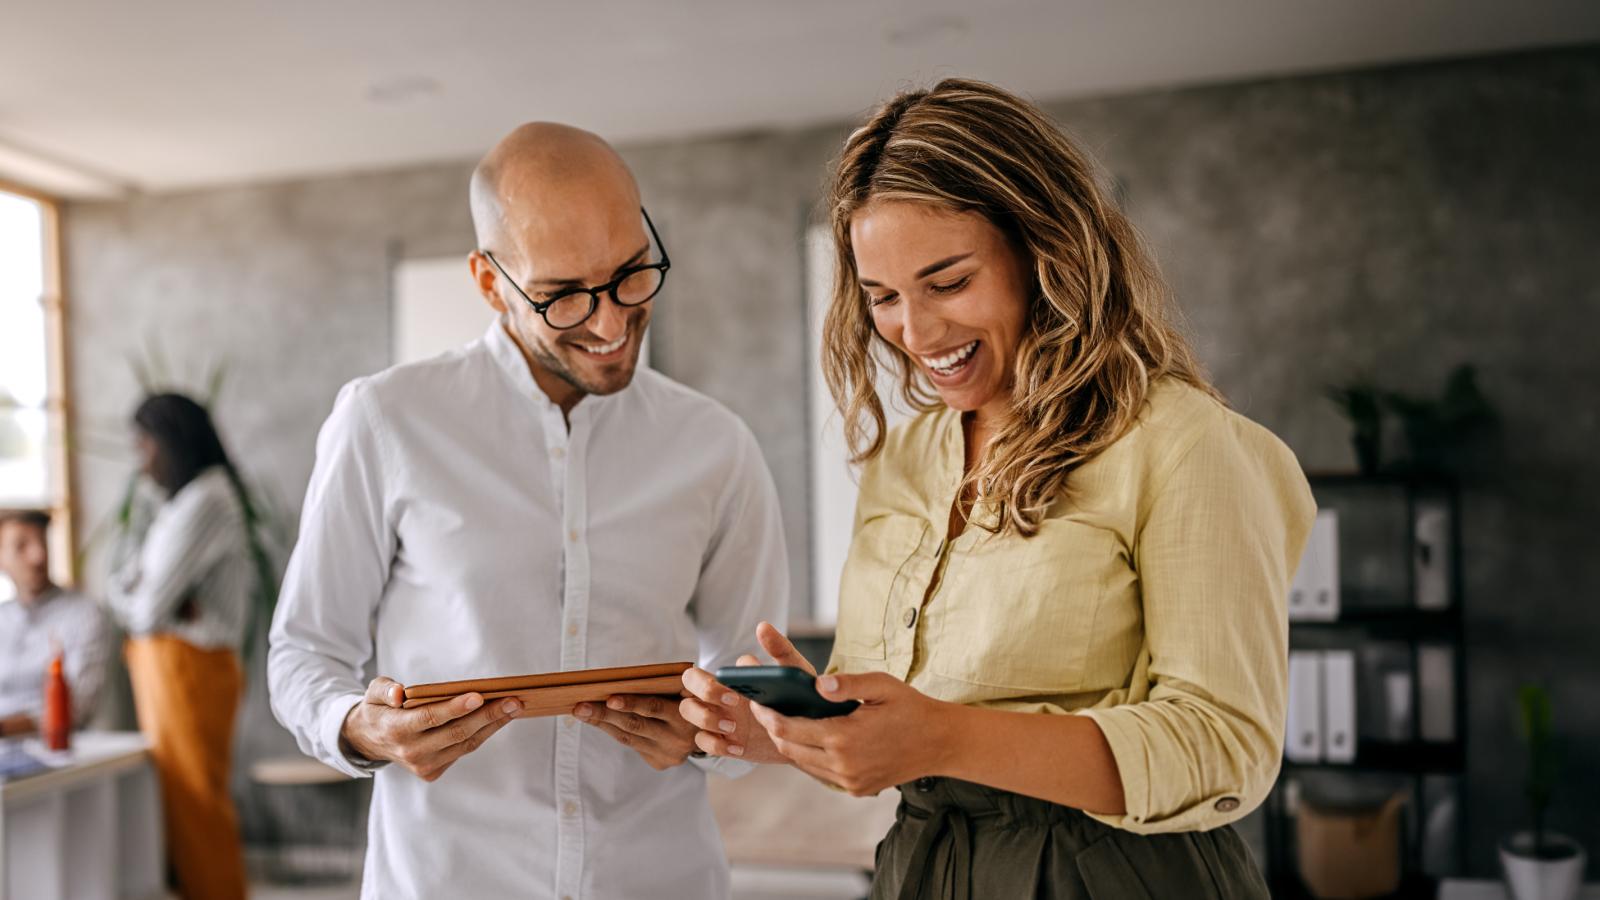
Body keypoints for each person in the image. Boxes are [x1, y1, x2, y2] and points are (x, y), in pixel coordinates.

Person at [681, 78, 1316, 899]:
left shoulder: (1182, 443)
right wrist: (788, 728)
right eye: (882, 298)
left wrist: (943, 740)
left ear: (1043, 248)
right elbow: (906, 722)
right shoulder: (902, 459)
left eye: (948, 283)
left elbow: (1225, 745)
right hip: (924, 866)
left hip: (1119, 875)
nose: (916, 332)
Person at [268, 122, 788, 900]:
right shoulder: (385, 420)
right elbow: (303, 653)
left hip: (660, 876)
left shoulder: (716, 445)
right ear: (489, 283)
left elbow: (757, 670)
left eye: (630, 274)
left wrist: (713, 731)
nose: (611, 325)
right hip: (449, 879)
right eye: (562, 296)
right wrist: (361, 726)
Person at [106, 392, 256, 900]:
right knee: (183, 808)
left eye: (145, 443)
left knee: (197, 808)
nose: (141, 458)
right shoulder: (181, 503)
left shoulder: (207, 500)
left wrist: (145, 600)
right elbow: (125, 585)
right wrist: (146, 597)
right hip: (172, 669)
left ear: (171, 441)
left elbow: (144, 608)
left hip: (190, 669)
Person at [0, 509, 110, 737]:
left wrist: (5, 728)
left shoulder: (84, 615)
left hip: (60, 748)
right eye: (22, 546)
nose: (38, 556)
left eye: (42, 542)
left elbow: (76, 707)